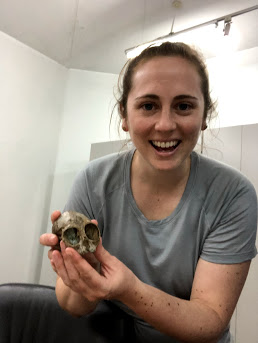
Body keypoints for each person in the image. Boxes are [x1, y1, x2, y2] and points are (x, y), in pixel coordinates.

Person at [40, 42, 257, 343]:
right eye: (148, 105)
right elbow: (73, 305)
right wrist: (84, 274)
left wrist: (129, 290)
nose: (166, 125)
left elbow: (210, 321)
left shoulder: (232, 195)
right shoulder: (93, 182)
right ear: (125, 116)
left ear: (205, 114)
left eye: (183, 106)